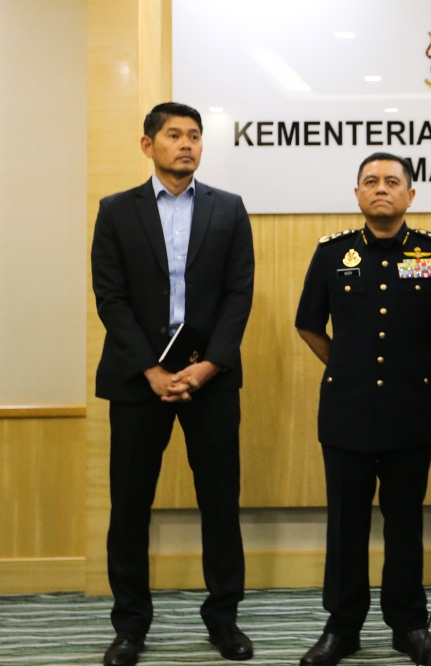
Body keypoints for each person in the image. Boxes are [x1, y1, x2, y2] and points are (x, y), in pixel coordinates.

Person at [91, 103, 255, 665]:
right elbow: (110, 298)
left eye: (194, 136)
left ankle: (224, 619)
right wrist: (152, 370)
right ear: (148, 145)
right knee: (129, 506)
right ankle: (131, 625)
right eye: (173, 135)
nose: (185, 144)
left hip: (210, 377)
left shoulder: (228, 209)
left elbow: (239, 295)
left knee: (220, 503)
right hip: (140, 380)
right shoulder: (115, 211)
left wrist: (209, 365)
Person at [295, 152, 431, 666]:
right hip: (346, 410)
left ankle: (408, 625)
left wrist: (419, 365)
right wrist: (346, 364)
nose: (381, 189)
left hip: (410, 410)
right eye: (371, 182)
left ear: (411, 195)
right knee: (345, 525)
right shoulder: (332, 254)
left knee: (405, 523)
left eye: (392, 182)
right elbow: (307, 323)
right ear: (358, 195)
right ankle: (342, 628)